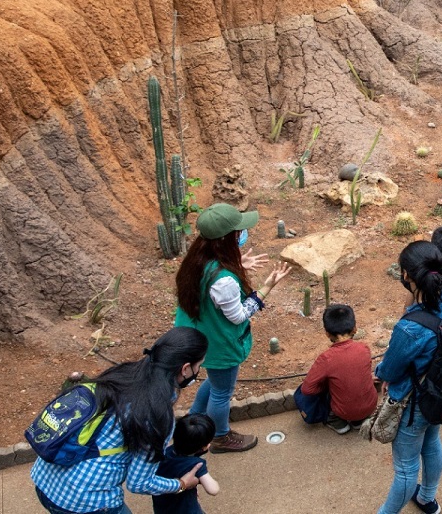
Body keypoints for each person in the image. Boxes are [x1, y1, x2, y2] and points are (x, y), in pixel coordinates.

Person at [31, 327, 208, 514]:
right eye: (199, 366)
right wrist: (180, 484)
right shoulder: (157, 416)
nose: (199, 371)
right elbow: (139, 483)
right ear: (186, 369)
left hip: (44, 481)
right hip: (86, 502)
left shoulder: (121, 375)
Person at [174, 203, 292, 453]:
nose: (242, 234)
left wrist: (238, 265)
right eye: (238, 232)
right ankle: (219, 437)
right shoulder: (224, 280)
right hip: (219, 344)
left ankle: (195, 420)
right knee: (222, 393)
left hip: (200, 338)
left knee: (215, 383)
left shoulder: (198, 260)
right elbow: (238, 316)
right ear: (226, 239)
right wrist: (267, 287)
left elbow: (212, 291)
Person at [374, 241, 442, 514]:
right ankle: (427, 498)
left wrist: (380, 374)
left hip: (414, 404)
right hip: (441, 393)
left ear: (406, 276)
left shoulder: (410, 327)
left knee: (405, 468)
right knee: (432, 442)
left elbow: (389, 370)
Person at [295, 304, 379, 433]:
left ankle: (337, 421)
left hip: (344, 412)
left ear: (327, 334)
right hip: (370, 406)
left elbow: (307, 389)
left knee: (304, 390)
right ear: (355, 329)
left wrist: (326, 386)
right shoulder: (364, 348)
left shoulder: (326, 358)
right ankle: (359, 421)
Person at [151, 414, 220, 514]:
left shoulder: (165, 452)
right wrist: (197, 480)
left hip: (162, 507)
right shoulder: (196, 465)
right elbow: (213, 490)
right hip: (187, 509)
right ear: (204, 446)